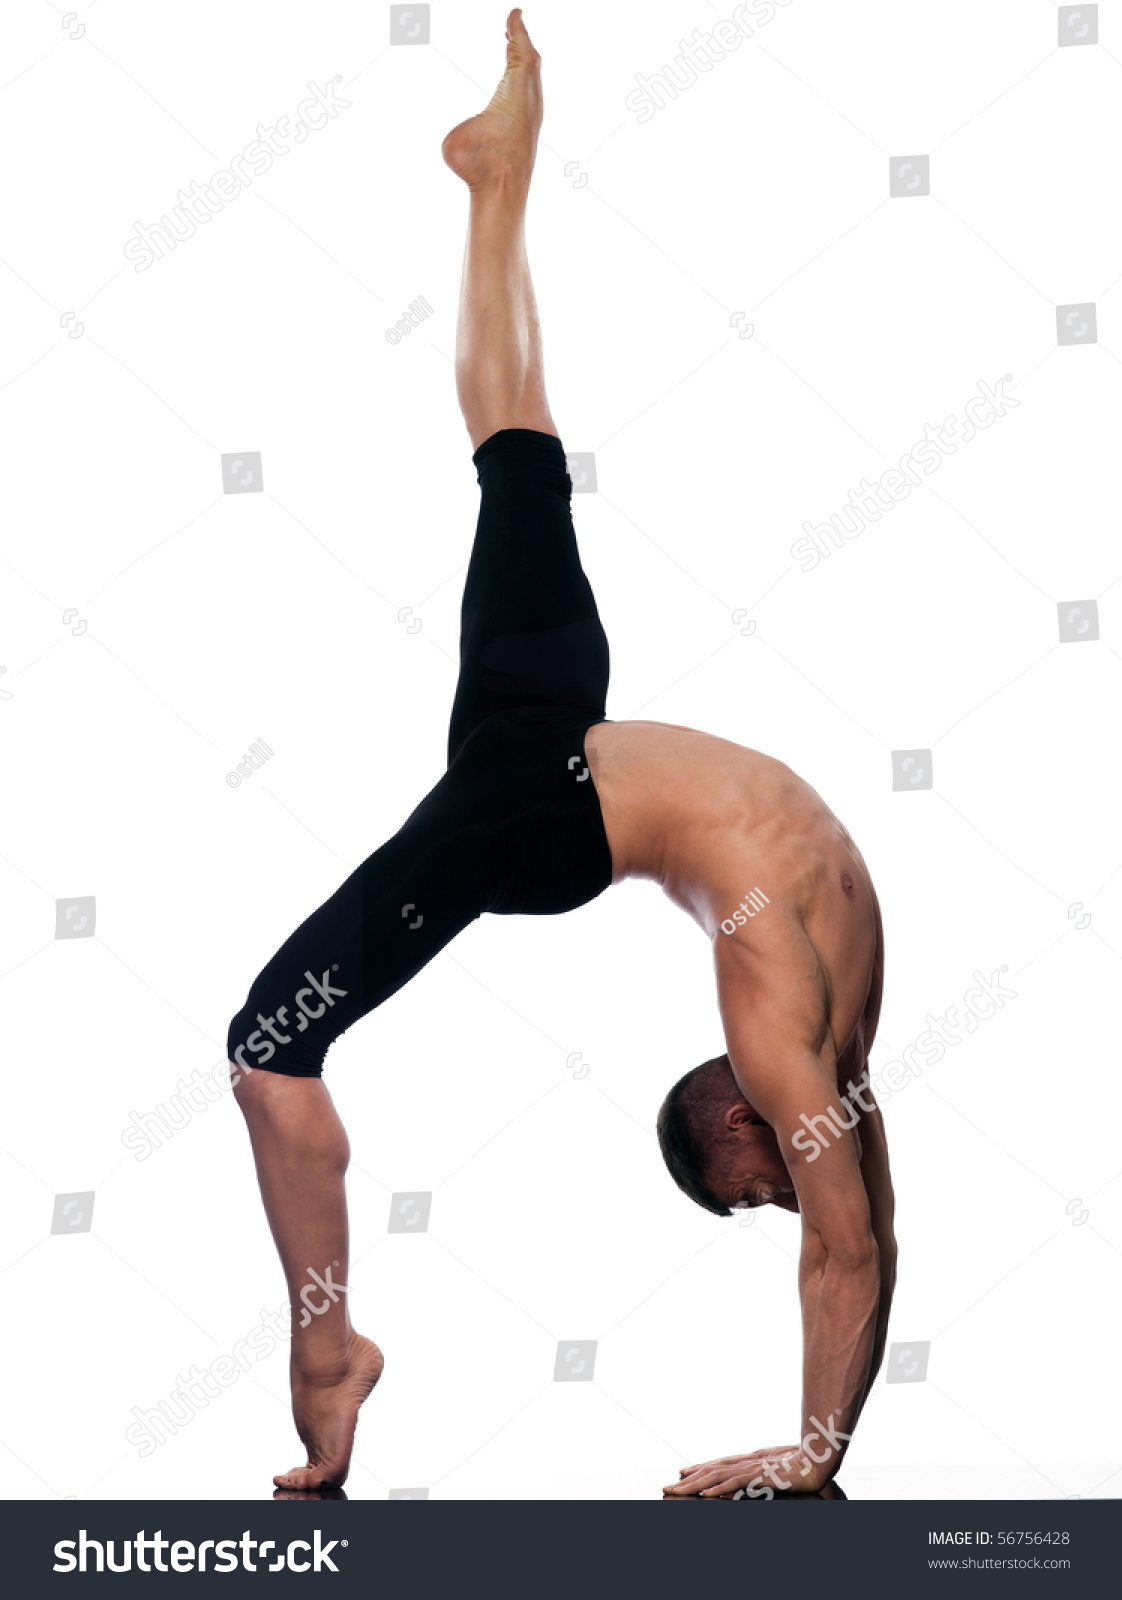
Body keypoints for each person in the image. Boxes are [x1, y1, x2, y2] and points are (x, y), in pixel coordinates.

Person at [227, 9, 893, 1497]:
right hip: (545, 771)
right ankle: (494, 182)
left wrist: (815, 1454)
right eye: (766, 1191)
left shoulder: (807, 1036)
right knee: (515, 443)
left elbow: (856, 1246)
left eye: (760, 1186)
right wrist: (813, 1458)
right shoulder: (802, 1026)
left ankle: (327, 1352)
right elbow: (859, 1247)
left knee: (273, 1056)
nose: (791, 1187)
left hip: (554, 773)